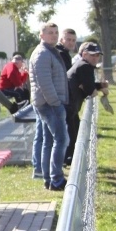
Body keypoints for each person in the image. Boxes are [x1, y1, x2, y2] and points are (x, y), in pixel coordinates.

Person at [29, 22, 69, 191]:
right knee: (61, 140)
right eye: (50, 32)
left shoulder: (48, 52)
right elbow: (44, 84)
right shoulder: (43, 54)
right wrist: (56, 103)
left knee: (49, 141)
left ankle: (49, 179)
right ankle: (56, 178)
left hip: (48, 103)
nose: (53, 35)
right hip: (50, 104)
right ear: (42, 35)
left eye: (55, 32)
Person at [65, 42, 109, 164]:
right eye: (92, 55)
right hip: (68, 107)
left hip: (70, 107)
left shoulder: (82, 65)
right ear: (84, 54)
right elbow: (91, 91)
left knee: (75, 134)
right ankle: (69, 161)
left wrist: (100, 86)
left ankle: (71, 160)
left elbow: (86, 85)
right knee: (72, 138)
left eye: (97, 55)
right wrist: (101, 90)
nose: (95, 58)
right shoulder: (85, 66)